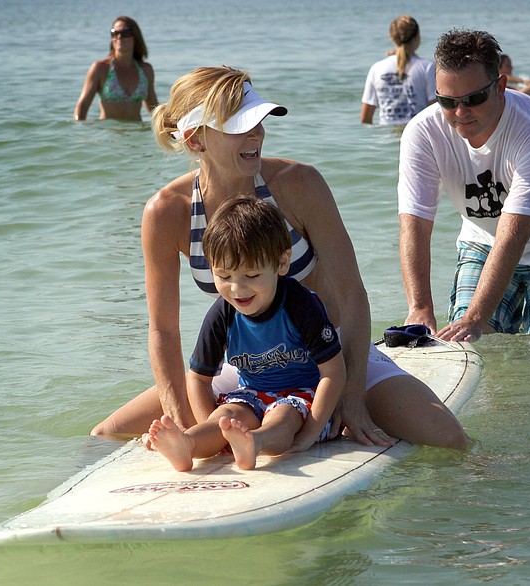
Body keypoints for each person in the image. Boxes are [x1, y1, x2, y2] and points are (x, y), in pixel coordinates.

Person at [90, 66, 468, 451]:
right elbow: (163, 332)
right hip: (250, 369)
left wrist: (352, 398)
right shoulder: (167, 212)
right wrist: (188, 424)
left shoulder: (298, 184)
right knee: (106, 433)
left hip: (332, 360)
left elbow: (353, 296)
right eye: (239, 127)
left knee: (448, 438)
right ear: (195, 139)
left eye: (258, 121)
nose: (256, 134)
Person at [397, 29, 530, 342]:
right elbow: (415, 223)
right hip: (482, 240)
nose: (460, 113)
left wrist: (476, 318)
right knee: (469, 344)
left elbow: (513, 235)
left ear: (500, 86)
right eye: (447, 101)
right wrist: (420, 307)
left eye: (474, 99)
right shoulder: (421, 133)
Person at [147, 195, 346, 471]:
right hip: (252, 393)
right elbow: (199, 379)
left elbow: (333, 372)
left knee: (283, 415)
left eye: (251, 276)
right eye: (224, 276)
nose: (237, 289)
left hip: (305, 397)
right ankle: (187, 445)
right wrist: (217, 428)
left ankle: (256, 441)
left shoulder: (301, 306)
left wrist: (311, 432)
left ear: (281, 263)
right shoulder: (222, 314)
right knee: (229, 412)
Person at [73, 16, 158, 121]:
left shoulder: (146, 70)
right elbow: (82, 106)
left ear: (135, 37)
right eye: (114, 33)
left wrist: (169, 126)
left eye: (125, 33)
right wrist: (78, 129)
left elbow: (154, 109)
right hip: (107, 130)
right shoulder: (100, 68)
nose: (119, 37)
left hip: (137, 130)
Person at [361, 16, 436, 125]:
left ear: (391, 38)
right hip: (418, 132)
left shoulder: (376, 68)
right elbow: (436, 112)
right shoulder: (428, 67)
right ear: (417, 37)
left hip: (386, 133)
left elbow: (365, 119)